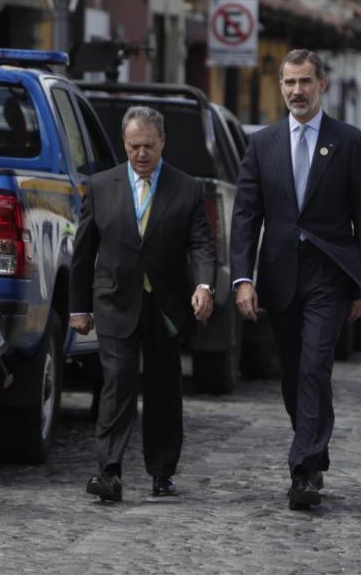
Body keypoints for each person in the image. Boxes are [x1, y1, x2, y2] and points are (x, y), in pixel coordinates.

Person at [230, 49, 361, 511]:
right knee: (294, 373)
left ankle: (303, 469)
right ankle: (313, 447)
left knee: (315, 365)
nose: (298, 91)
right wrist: (242, 278)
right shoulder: (262, 144)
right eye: (290, 82)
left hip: (329, 273)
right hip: (280, 275)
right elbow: (246, 215)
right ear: (281, 86)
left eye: (306, 81)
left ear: (322, 85)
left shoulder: (349, 142)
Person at [70, 106, 217, 503]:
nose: (141, 154)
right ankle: (109, 471)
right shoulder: (101, 186)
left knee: (163, 388)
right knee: (117, 384)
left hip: (166, 305)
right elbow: (83, 252)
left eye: (149, 146)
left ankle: (162, 471)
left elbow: (202, 245)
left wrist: (204, 286)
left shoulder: (187, 188)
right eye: (134, 146)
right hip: (115, 301)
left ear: (163, 142)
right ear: (124, 143)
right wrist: (78, 308)